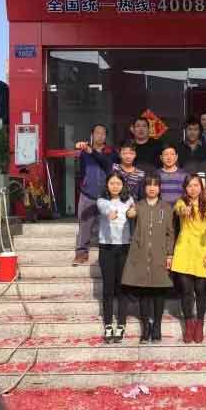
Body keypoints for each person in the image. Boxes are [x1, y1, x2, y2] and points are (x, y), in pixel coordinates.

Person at [122, 175, 175, 344]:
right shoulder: (138, 206)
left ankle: (157, 326)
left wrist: (169, 254)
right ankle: (146, 327)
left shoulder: (166, 207)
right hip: (141, 254)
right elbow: (129, 213)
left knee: (159, 291)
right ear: (144, 188)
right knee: (144, 292)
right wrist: (129, 213)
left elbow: (170, 233)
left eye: (155, 185)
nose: (152, 188)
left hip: (160, 255)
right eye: (148, 185)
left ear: (160, 188)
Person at [171, 174, 206, 343]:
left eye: (196, 185)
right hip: (183, 250)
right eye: (189, 185)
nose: (193, 189)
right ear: (185, 188)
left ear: (201, 187)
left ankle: (200, 324)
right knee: (186, 290)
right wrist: (186, 210)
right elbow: (179, 210)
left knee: (200, 290)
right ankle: (189, 324)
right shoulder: (181, 202)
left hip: (202, 251)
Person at [96, 172, 135, 343]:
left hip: (124, 247)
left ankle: (121, 323)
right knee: (108, 289)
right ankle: (108, 324)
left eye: (118, 183)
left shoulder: (129, 200)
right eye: (112, 183)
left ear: (123, 185)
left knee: (122, 288)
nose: (115, 186)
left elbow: (134, 211)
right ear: (107, 185)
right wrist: (110, 214)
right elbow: (105, 209)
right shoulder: (101, 200)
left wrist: (133, 212)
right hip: (106, 248)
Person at [73, 124, 119, 266]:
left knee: (108, 225)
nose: (100, 135)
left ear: (106, 136)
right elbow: (82, 171)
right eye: (97, 132)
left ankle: (108, 255)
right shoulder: (84, 152)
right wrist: (84, 185)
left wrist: (91, 151)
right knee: (84, 224)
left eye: (103, 133)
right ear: (92, 135)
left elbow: (108, 165)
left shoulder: (111, 152)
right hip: (87, 194)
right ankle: (81, 253)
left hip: (106, 195)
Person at [80, 140, 146, 201]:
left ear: (135, 155)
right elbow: (99, 157)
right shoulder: (113, 168)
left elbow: (141, 197)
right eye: (124, 153)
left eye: (131, 153)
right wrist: (87, 148)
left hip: (133, 207)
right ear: (120, 154)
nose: (128, 156)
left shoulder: (140, 174)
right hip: (112, 207)